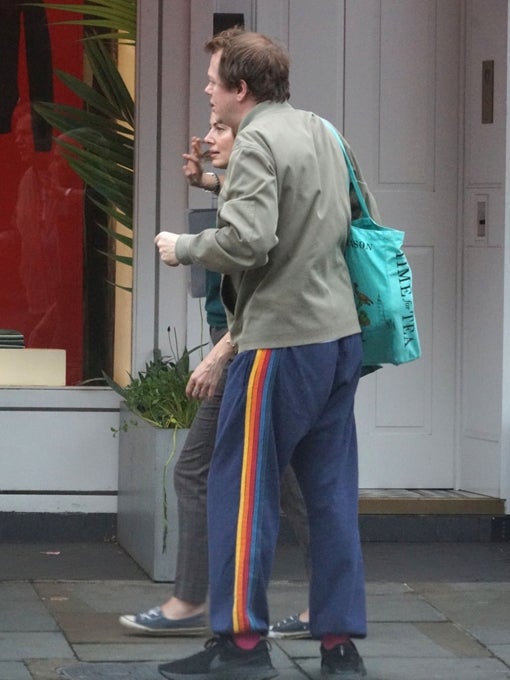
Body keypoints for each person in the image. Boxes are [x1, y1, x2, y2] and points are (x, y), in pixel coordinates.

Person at [154, 29, 374, 679]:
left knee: (241, 491)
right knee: (330, 497)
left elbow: (247, 243)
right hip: (340, 342)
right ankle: (339, 646)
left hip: (281, 344)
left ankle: (242, 646)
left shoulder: (253, 139)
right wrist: (220, 182)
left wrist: (182, 246)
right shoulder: (323, 132)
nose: (206, 92)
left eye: (213, 80)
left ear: (241, 89)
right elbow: (348, 220)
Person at [119, 112, 311, 638]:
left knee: (204, 471)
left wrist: (218, 353)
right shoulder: (259, 176)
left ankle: (199, 605)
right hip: (256, 349)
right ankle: (322, 601)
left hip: (257, 352)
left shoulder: (268, 163)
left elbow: (265, 277)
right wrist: (209, 182)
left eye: (221, 127)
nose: (208, 136)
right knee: (289, 477)